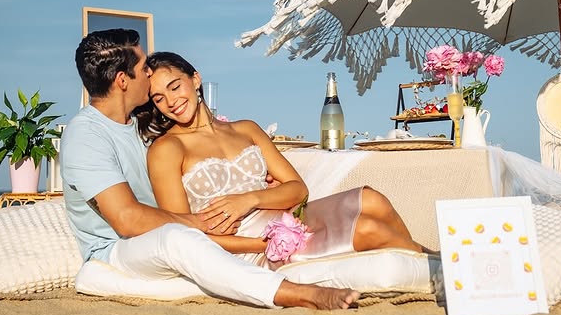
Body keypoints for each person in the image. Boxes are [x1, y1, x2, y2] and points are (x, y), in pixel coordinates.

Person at [60, 29, 359, 310]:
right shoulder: (86, 135)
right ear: (123, 80)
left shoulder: (139, 128)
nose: (149, 73)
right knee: (177, 238)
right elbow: (127, 219)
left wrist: (251, 187)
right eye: (143, 68)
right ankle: (300, 294)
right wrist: (198, 223)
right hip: (117, 251)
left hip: (165, 238)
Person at [139, 51, 425, 269]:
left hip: (288, 220)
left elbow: (298, 190)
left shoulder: (246, 129)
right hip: (248, 247)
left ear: (195, 79)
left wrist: (248, 199)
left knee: (372, 199)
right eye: (159, 98)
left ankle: (433, 262)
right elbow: (180, 232)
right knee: (368, 229)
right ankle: (440, 266)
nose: (171, 101)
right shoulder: (167, 148)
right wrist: (262, 244)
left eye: (175, 87)